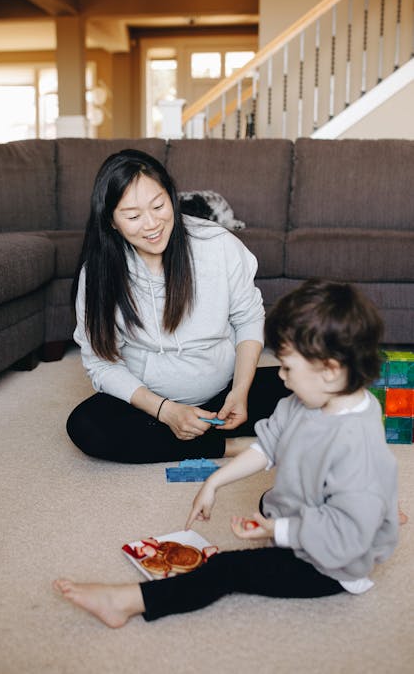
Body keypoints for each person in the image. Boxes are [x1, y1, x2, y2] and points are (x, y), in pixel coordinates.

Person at [53, 279, 399, 627]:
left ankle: (126, 602)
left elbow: (344, 538)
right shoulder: (307, 401)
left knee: (226, 569)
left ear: (329, 371)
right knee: (272, 499)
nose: (281, 376)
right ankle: (368, 508)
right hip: (321, 515)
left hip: (334, 563)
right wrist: (214, 483)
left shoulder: (356, 445)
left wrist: (280, 531)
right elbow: (267, 444)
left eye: (288, 368)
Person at [66, 149, 288, 464]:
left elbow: (248, 317)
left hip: (226, 394)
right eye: (132, 216)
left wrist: (240, 390)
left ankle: (205, 432)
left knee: (323, 385)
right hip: (151, 407)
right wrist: (166, 411)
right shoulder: (99, 273)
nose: (152, 224)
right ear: (111, 222)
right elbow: (102, 364)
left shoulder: (218, 245)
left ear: (171, 197)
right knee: (87, 427)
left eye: (158, 206)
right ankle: (225, 446)